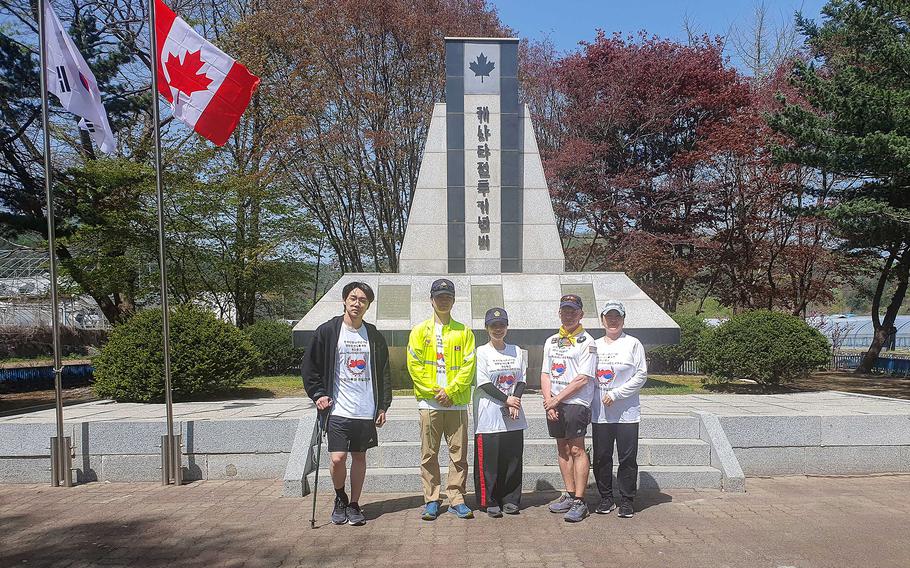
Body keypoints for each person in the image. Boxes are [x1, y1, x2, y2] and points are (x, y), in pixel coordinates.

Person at [302, 281, 392, 526]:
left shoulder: (373, 335)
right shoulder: (329, 331)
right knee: (338, 458)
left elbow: (384, 373)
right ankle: (340, 496)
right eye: (353, 298)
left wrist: (383, 405)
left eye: (363, 300)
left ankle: (354, 503)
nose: (357, 303)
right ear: (344, 300)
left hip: (365, 409)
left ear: (368, 305)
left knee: (359, 457)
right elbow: (310, 366)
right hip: (338, 408)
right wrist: (318, 393)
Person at [407, 278, 476, 520]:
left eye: (448, 296)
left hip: (455, 403)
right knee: (429, 454)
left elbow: (468, 366)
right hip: (430, 403)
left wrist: (451, 391)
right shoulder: (419, 331)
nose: (443, 300)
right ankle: (432, 500)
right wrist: (437, 390)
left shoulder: (464, 331)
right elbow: (415, 366)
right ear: (431, 300)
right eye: (439, 296)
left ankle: (457, 498)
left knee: (458, 454)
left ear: (454, 300)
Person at [541, 293, 598, 522]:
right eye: (565, 310)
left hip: (576, 403)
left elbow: (583, 378)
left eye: (573, 311)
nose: (568, 314)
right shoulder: (552, 340)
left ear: (581, 314)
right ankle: (569, 493)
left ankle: (580, 500)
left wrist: (557, 399)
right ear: (559, 313)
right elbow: (545, 373)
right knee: (562, 450)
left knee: (576, 450)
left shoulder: (588, 341)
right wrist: (549, 401)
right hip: (554, 402)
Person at [591, 300, 647, 519]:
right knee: (602, 456)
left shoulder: (633, 344)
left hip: (627, 412)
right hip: (601, 413)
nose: (613, 320)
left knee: (627, 458)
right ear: (602, 319)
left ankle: (626, 500)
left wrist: (616, 394)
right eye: (609, 316)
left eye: (617, 316)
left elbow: (641, 375)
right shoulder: (594, 345)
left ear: (623, 319)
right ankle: (606, 497)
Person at [472, 307, 527, 518]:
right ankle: (490, 500)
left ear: (507, 327)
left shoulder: (516, 350)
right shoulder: (481, 352)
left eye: (501, 325)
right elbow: (483, 383)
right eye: (493, 326)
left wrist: (515, 402)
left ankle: (511, 499)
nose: (498, 329)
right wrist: (507, 400)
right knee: (489, 461)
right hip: (489, 415)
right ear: (487, 328)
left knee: (512, 459)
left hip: (513, 415)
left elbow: (521, 379)